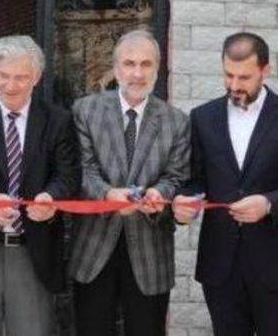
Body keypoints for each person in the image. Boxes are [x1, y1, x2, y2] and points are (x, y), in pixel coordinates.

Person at [174, 32, 278, 336]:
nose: (234, 85)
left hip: (277, 263)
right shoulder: (202, 117)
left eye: (244, 77)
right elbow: (193, 181)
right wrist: (185, 205)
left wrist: (268, 204)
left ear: (265, 71)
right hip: (220, 264)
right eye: (228, 75)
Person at [0, 36, 78, 336]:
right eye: (3, 76)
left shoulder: (58, 120)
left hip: (33, 253)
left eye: (20, 77)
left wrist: (51, 198)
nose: (10, 85)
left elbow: (68, 174)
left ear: (36, 77)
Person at [69, 29, 189, 336]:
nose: (137, 73)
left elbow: (176, 177)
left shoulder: (176, 121)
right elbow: (81, 169)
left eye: (146, 64)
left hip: (150, 252)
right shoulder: (85, 110)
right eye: (129, 63)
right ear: (115, 67)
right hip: (94, 249)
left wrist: (158, 194)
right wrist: (108, 194)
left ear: (158, 68)